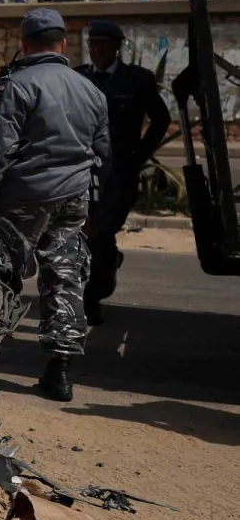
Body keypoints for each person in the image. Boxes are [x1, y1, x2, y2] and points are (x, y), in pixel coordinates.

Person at [0, 8, 110, 403]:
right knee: (65, 276)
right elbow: (104, 152)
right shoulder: (92, 90)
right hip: (74, 196)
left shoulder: (18, 84)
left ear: (24, 44)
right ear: (64, 43)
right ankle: (61, 372)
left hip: (24, 197)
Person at [76, 20, 171, 325]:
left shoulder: (137, 80)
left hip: (119, 173)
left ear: (117, 47)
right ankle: (99, 276)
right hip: (82, 170)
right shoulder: (77, 78)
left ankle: (93, 295)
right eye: (92, 42)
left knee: (101, 234)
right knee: (83, 233)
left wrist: (139, 154)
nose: (96, 48)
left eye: (103, 43)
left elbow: (161, 119)